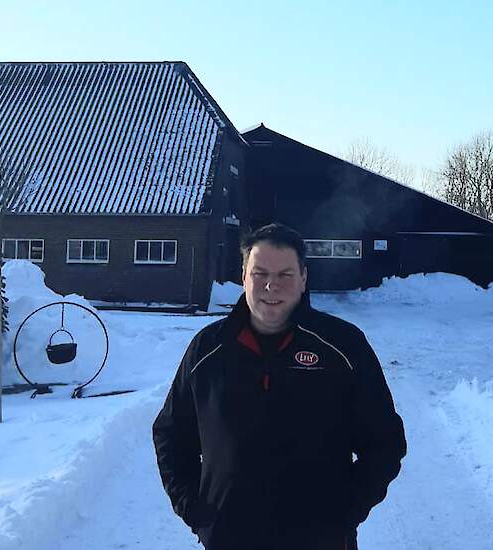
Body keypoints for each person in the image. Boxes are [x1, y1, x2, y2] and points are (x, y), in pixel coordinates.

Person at [153, 223, 407, 550]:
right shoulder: (208, 350)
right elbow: (170, 433)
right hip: (230, 539)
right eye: (260, 273)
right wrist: (196, 511)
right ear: (243, 275)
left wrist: (347, 511)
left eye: (285, 274)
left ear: (303, 278)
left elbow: (385, 442)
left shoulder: (343, 347)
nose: (271, 285)